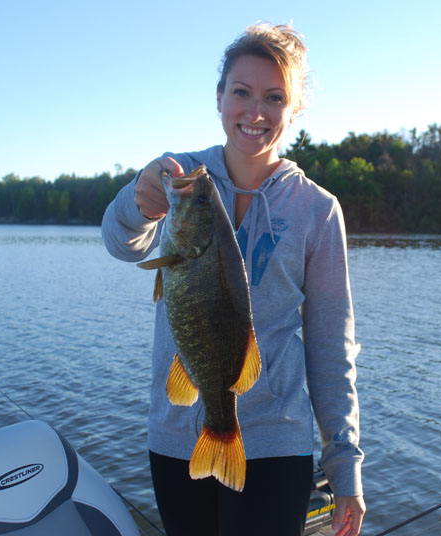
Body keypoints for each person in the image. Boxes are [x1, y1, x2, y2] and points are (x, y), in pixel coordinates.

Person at [102, 23, 364, 536]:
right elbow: (120, 243)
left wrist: (344, 466)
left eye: (274, 97)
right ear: (219, 97)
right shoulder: (181, 179)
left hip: (277, 442)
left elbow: (332, 347)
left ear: (294, 110)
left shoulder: (317, 210)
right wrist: (138, 200)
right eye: (241, 92)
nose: (256, 111)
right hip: (177, 437)